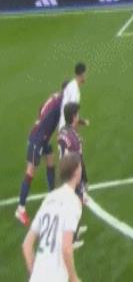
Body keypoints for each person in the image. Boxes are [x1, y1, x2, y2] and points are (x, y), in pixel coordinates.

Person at [22, 152, 83, 282]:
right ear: (76, 171)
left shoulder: (49, 198)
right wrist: (74, 278)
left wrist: (35, 274)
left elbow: (27, 245)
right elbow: (66, 248)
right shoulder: (73, 201)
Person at [15, 81, 68, 227]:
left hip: (43, 138)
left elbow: (41, 108)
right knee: (30, 172)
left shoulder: (56, 96)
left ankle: (52, 197)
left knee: (50, 161)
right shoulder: (61, 103)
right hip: (37, 140)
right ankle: (20, 209)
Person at [58, 102, 89, 248]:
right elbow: (78, 160)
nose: (78, 117)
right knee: (76, 205)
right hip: (72, 174)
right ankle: (71, 239)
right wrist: (84, 179)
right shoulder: (73, 137)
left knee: (74, 204)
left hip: (65, 171)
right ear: (73, 117)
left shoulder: (64, 131)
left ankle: (75, 230)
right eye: (77, 115)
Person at [59, 63, 89, 130]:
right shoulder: (74, 90)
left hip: (64, 127)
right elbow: (70, 111)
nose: (86, 76)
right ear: (82, 74)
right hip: (67, 128)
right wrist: (82, 122)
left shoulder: (72, 85)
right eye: (85, 74)